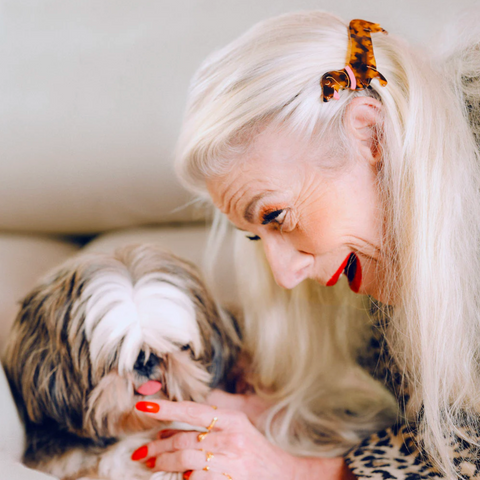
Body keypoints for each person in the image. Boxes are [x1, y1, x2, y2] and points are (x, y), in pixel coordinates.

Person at [131, 11, 480, 479]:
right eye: (259, 235)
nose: (286, 274)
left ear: (370, 135)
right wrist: (279, 415)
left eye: (277, 217)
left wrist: (309, 472)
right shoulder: (386, 264)